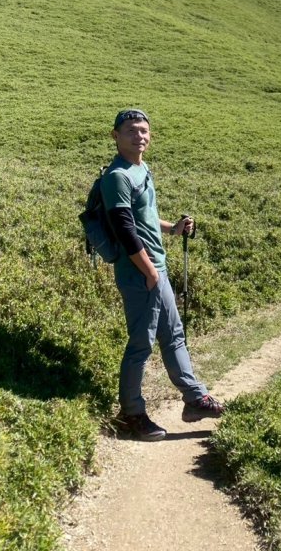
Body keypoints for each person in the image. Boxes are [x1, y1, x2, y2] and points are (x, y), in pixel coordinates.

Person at [102, 108, 224, 441]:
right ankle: (131, 414)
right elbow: (124, 229)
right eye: (130, 130)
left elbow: (146, 216)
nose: (139, 135)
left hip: (156, 267)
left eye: (143, 130)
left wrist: (173, 229)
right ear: (115, 136)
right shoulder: (117, 177)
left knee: (174, 335)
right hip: (141, 271)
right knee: (141, 344)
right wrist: (149, 272)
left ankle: (195, 398)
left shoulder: (142, 169)